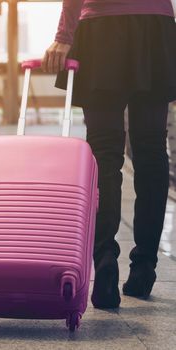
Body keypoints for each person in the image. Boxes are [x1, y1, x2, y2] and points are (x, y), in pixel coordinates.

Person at [41, 0, 176, 309]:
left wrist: (64, 35)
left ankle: (104, 261)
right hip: (155, 26)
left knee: (103, 149)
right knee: (151, 149)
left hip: (101, 27)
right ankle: (144, 268)